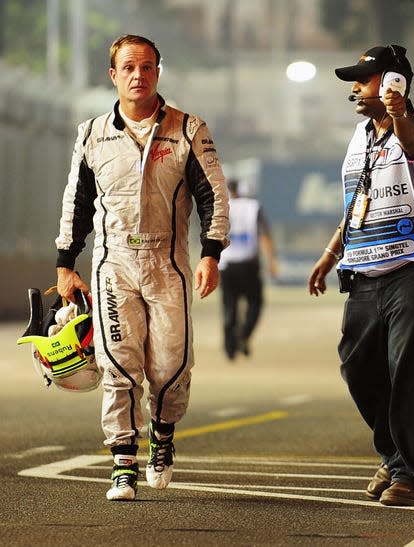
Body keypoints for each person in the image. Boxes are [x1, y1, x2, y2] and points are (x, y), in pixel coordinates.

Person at [55, 34, 230, 501]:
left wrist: (211, 252)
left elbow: (214, 194)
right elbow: (77, 201)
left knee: (171, 365)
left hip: (168, 265)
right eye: (129, 68)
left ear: (158, 72)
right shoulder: (92, 134)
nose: (138, 75)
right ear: (113, 75)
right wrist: (65, 263)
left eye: (147, 67)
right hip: (113, 266)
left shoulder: (188, 129)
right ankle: (122, 461)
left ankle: (163, 434)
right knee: (118, 363)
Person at [307, 44, 414, 507]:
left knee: (408, 367)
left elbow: (413, 145)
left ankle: (408, 473)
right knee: (357, 366)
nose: (355, 88)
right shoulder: (360, 137)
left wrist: (399, 113)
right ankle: (394, 453)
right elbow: (359, 197)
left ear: (394, 82)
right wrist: (331, 250)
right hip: (366, 266)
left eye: (365, 78)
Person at [219, 179, 277, 360]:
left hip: (227, 264)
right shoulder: (254, 206)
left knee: (229, 307)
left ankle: (230, 349)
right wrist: (272, 260)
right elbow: (264, 235)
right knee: (255, 303)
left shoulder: (222, 206)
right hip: (249, 264)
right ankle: (244, 334)